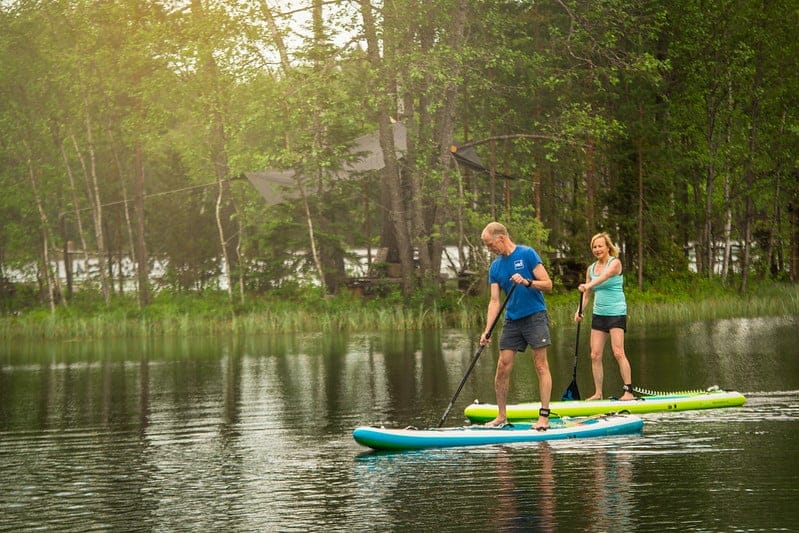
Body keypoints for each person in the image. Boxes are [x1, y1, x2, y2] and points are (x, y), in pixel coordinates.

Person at [479, 222, 554, 429]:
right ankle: (501, 416)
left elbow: (548, 284)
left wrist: (527, 282)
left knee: (540, 365)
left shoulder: (527, 254)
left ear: (501, 238)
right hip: (512, 320)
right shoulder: (495, 267)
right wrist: (488, 329)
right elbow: (494, 301)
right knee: (502, 365)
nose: (489, 249)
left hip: (535, 316)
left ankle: (544, 417)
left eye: (489, 244)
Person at [574, 232, 635, 401]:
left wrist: (587, 285)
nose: (597, 249)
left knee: (618, 352)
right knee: (595, 354)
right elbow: (587, 295)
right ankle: (598, 393)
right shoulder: (591, 269)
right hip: (599, 314)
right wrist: (579, 310)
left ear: (608, 247)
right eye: (594, 247)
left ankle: (628, 391)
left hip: (616, 312)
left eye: (600, 246)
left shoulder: (615, 263)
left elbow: (604, 278)